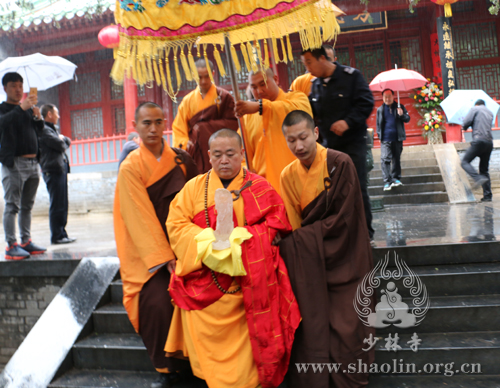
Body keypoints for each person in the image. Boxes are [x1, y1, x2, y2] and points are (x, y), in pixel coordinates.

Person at [165, 129, 301, 388]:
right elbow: (176, 224)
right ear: (208, 156)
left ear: (241, 154)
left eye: (230, 154)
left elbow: (277, 223)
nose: (224, 160)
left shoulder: (259, 186)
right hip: (207, 286)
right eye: (217, 155)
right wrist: (211, 243)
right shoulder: (193, 188)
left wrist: (238, 241)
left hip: (248, 289)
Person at [279, 110, 375, 388]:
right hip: (311, 262)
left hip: (346, 257)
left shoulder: (339, 162)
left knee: (348, 324)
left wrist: (300, 241)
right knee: (312, 321)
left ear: (316, 133)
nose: (298, 146)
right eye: (291, 140)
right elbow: (293, 226)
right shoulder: (287, 175)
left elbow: (346, 219)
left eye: (303, 137)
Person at [114, 102, 197, 388]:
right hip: (149, 255)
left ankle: (199, 359)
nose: (152, 128)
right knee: (159, 302)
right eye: (146, 123)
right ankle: (169, 368)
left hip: (186, 243)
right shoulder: (131, 167)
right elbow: (139, 218)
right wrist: (165, 257)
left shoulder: (181, 160)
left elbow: (199, 201)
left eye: (157, 122)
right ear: (136, 127)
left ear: (165, 125)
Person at [302, 47, 375, 241]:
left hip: (353, 146)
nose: (307, 68)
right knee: (333, 193)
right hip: (329, 149)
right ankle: (343, 234)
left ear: (323, 59)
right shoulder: (316, 85)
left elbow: (366, 103)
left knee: (357, 188)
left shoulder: (351, 77)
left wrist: (348, 122)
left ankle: (365, 234)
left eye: (309, 62)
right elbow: (310, 112)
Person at [235, 67, 312, 190]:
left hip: (297, 182)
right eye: (254, 87)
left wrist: (260, 107)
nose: (259, 91)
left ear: (275, 79)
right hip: (263, 187)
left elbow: (299, 114)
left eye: (263, 84)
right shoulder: (248, 117)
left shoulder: (296, 99)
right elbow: (240, 152)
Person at [0, 72, 46, 260]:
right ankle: (11, 245)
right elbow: (3, 124)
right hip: (15, 163)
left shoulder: (27, 109)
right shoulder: (3, 109)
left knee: (28, 205)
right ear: (5, 88)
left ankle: (26, 241)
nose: (18, 89)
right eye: (13, 85)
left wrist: (38, 118)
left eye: (20, 85)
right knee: (12, 205)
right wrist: (21, 109)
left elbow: (39, 132)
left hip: (33, 162)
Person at [172, 59, 238, 173]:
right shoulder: (187, 101)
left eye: (207, 76)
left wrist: (203, 128)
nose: (203, 81)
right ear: (193, 75)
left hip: (220, 150)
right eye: (199, 77)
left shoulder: (223, 96)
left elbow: (233, 124)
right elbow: (179, 128)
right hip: (196, 152)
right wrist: (186, 144)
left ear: (213, 74)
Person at [39, 104, 76, 245]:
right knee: (57, 204)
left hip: (60, 169)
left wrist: (62, 139)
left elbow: (66, 141)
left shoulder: (51, 129)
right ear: (49, 114)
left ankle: (62, 233)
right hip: (53, 170)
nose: (58, 116)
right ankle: (57, 236)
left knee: (63, 203)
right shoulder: (44, 129)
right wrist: (62, 139)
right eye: (56, 113)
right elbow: (61, 145)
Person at [376, 89, 410, 191]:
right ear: (382, 98)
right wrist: (379, 136)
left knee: (396, 158)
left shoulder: (400, 107)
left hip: (397, 138)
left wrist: (402, 115)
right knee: (385, 159)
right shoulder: (380, 109)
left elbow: (407, 119)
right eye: (385, 97)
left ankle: (395, 178)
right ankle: (387, 181)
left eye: (389, 96)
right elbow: (378, 125)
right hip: (385, 139)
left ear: (393, 96)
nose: (387, 99)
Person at [461, 99, 494, 202]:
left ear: (477, 104)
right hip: (489, 142)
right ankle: (487, 196)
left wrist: (464, 127)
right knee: (484, 170)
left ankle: (477, 178)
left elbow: (466, 122)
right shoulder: (490, 112)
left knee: (464, 162)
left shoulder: (475, 109)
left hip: (479, 140)